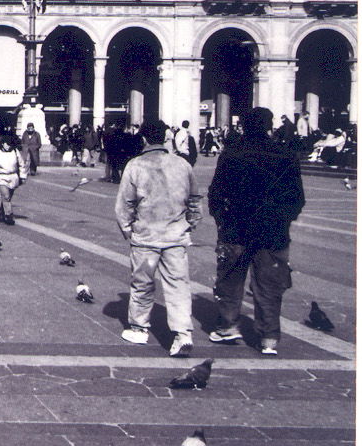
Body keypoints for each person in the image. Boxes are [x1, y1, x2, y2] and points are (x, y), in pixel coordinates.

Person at [206, 107, 305, 355]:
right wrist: (284, 220)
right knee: (270, 285)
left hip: (236, 228)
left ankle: (228, 326)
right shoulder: (286, 155)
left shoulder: (232, 154)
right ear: (269, 125)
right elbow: (297, 198)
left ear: (244, 126)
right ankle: (269, 338)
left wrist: (220, 219)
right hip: (273, 232)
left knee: (230, 280)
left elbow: (216, 193)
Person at [115, 120, 202, 357]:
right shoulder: (182, 164)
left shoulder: (135, 165)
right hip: (175, 235)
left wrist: (128, 230)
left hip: (145, 236)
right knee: (178, 285)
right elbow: (195, 198)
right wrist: (190, 223)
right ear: (166, 138)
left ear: (143, 139)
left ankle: (139, 328)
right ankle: (183, 334)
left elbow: (124, 204)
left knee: (142, 283)